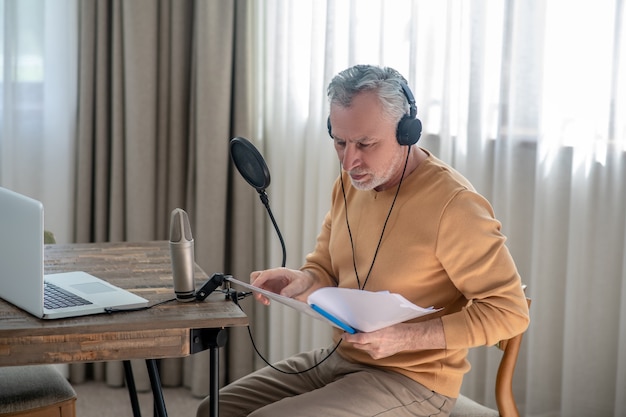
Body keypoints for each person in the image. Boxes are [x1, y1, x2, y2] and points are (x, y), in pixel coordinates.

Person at [197, 64, 530, 417]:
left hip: (413, 380)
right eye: (340, 142)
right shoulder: (351, 185)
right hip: (340, 358)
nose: (349, 160)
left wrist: (405, 338)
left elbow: (509, 312)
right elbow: (324, 265)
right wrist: (303, 280)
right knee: (213, 410)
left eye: (366, 144)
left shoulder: (455, 206)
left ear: (406, 133)